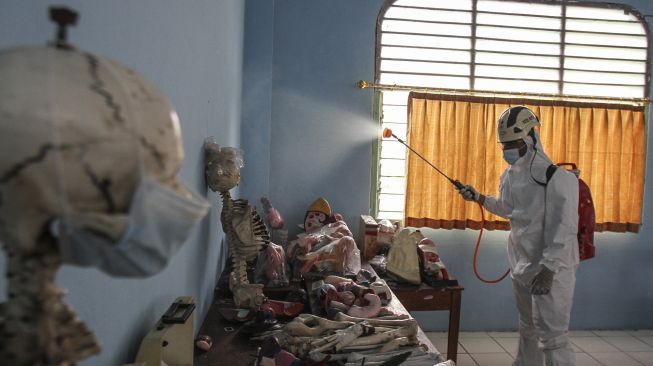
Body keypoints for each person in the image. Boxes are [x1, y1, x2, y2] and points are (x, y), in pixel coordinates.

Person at [458, 106, 580, 366]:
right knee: (528, 328)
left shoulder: (557, 178)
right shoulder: (510, 176)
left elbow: (566, 227)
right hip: (522, 263)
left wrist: (549, 268)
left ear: (529, 139)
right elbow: (507, 208)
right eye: (503, 145)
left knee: (553, 336)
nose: (506, 151)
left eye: (512, 144)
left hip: (551, 268)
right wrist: (478, 197)